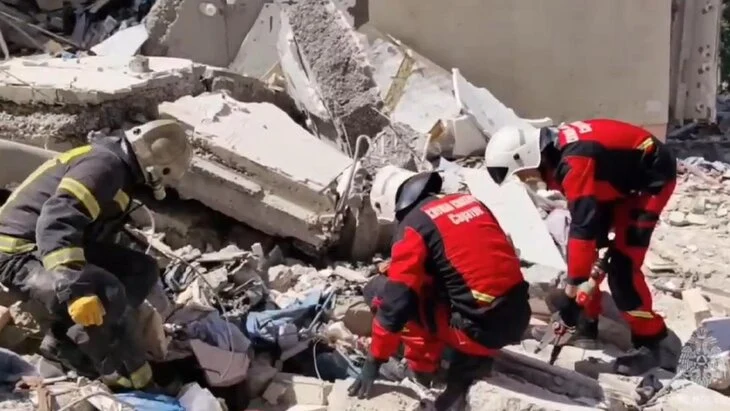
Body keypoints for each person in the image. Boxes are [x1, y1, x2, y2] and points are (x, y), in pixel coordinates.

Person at [0, 119, 192, 389]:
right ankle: (126, 377)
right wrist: (74, 285)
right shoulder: (105, 166)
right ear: (159, 170)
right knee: (104, 290)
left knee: (140, 270)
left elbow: (92, 229)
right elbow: (57, 220)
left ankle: (66, 344)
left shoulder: (116, 169)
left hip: (40, 243)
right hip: (15, 251)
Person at [484, 119, 680, 375]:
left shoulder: (574, 161)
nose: (524, 180)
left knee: (623, 271)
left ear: (527, 157)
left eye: (521, 173)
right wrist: (575, 292)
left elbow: (583, 227)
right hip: (616, 176)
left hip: (650, 178)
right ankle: (586, 324)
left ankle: (652, 342)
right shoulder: (558, 155)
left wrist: (572, 292)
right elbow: (584, 229)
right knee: (586, 251)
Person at [348, 167, 531, 409]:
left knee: (379, 291)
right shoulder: (469, 202)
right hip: (517, 315)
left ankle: (422, 369)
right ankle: (465, 354)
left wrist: (374, 360)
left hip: (478, 333)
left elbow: (395, 305)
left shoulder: (414, 226)